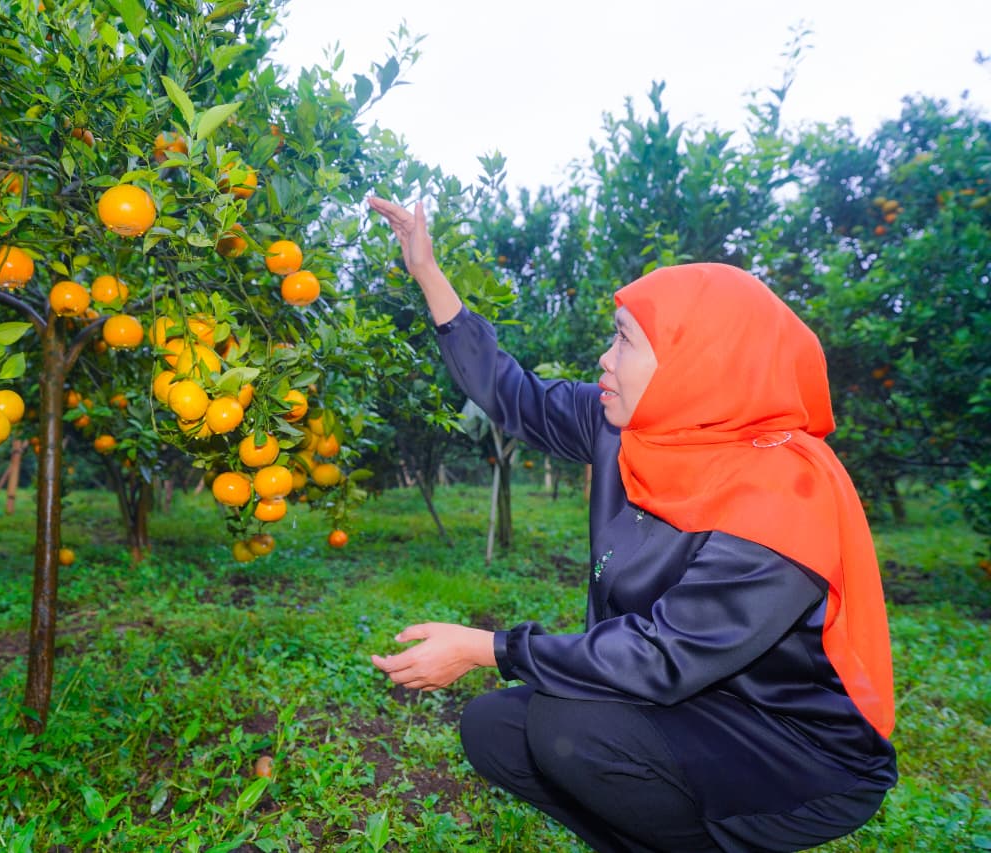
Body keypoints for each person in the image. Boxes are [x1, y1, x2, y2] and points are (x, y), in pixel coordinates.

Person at [366, 197, 898, 853]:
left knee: (570, 728)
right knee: (494, 727)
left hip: (795, 745)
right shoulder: (627, 426)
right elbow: (513, 395)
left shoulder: (786, 491)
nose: (603, 359)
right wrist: (425, 268)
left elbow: (662, 653)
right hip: (692, 702)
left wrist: (487, 647)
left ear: (693, 362)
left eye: (624, 339)